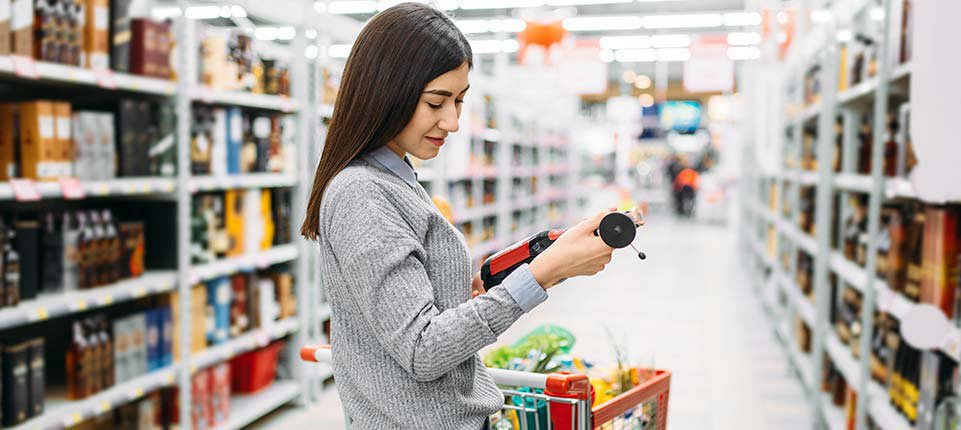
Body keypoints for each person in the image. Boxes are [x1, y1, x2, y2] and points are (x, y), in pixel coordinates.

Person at [300, 4, 617, 429]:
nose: (452, 121)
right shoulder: (362, 193)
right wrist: (537, 276)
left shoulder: (397, 178)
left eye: (460, 100)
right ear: (386, 91)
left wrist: (497, 279)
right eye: (436, 102)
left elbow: (410, 312)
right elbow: (422, 349)